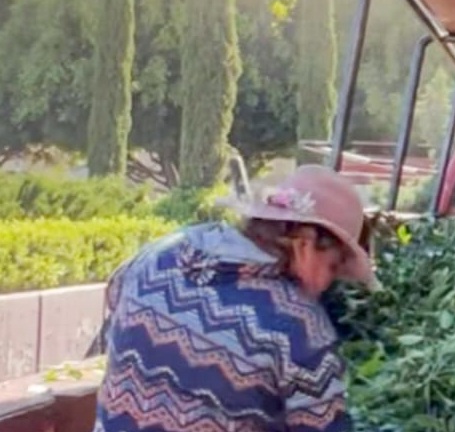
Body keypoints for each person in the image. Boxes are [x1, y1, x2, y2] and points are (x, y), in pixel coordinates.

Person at [94, 165, 377, 432]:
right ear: (306, 243)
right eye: (332, 267)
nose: (328, 284)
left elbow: (115, 296)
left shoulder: (159, 255)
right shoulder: (300, 328)